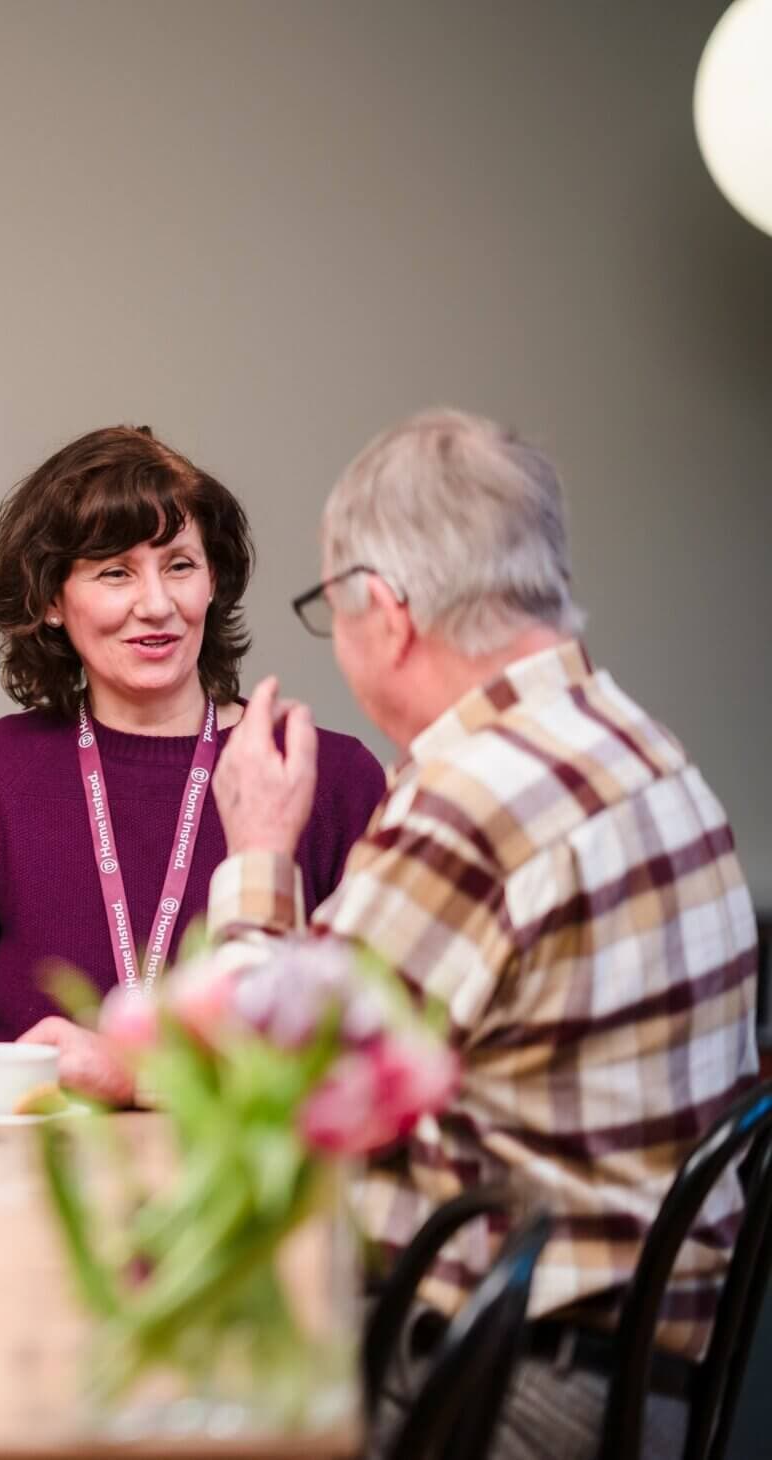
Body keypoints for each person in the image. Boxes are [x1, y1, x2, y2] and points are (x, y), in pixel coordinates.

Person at [201, 408, 758, 1459]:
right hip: (650, 1375)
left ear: (386, 609)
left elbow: (258, 1095)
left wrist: (259, 852)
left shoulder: (475, 798)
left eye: (332, 605)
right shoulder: (638, 743)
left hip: (510, 1389)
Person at [0, 426, 384, 1094]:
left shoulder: (322, 775)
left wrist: (133, 1074)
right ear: (52, 602)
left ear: (214, 580)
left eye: (180, 564)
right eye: (115, 572)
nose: (156, 604)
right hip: (8, 1181)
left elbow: (380, 1058)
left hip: (244, 1188)